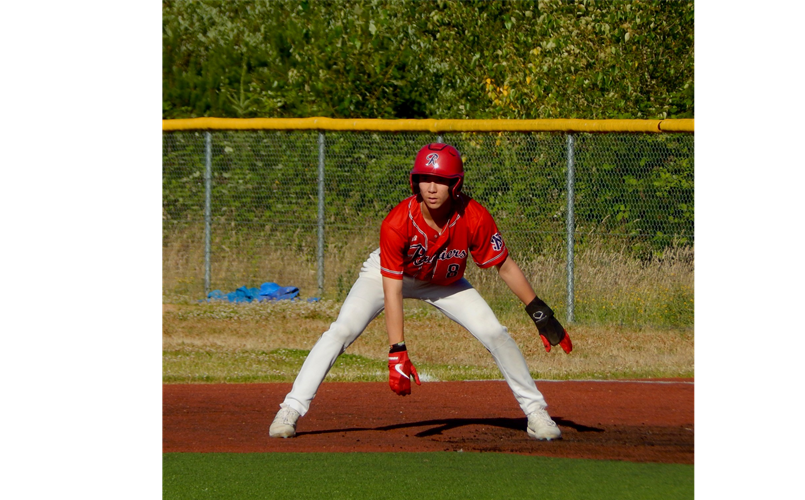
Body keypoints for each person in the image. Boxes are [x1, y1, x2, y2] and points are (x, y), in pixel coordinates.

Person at [269, 143, 573, 441]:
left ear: (455, 185)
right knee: (341, 330)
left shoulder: (473, 215)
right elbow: (392, 290)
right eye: (425, 179)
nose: (431, 187)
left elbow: (504, 266)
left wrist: (538, 310)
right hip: (388, 275)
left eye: (441, 180)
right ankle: (290, 409)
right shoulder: (397, 222)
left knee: (495, 332)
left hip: (444, 283)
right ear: (415, 182)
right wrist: (397, 349)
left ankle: (536, 413)